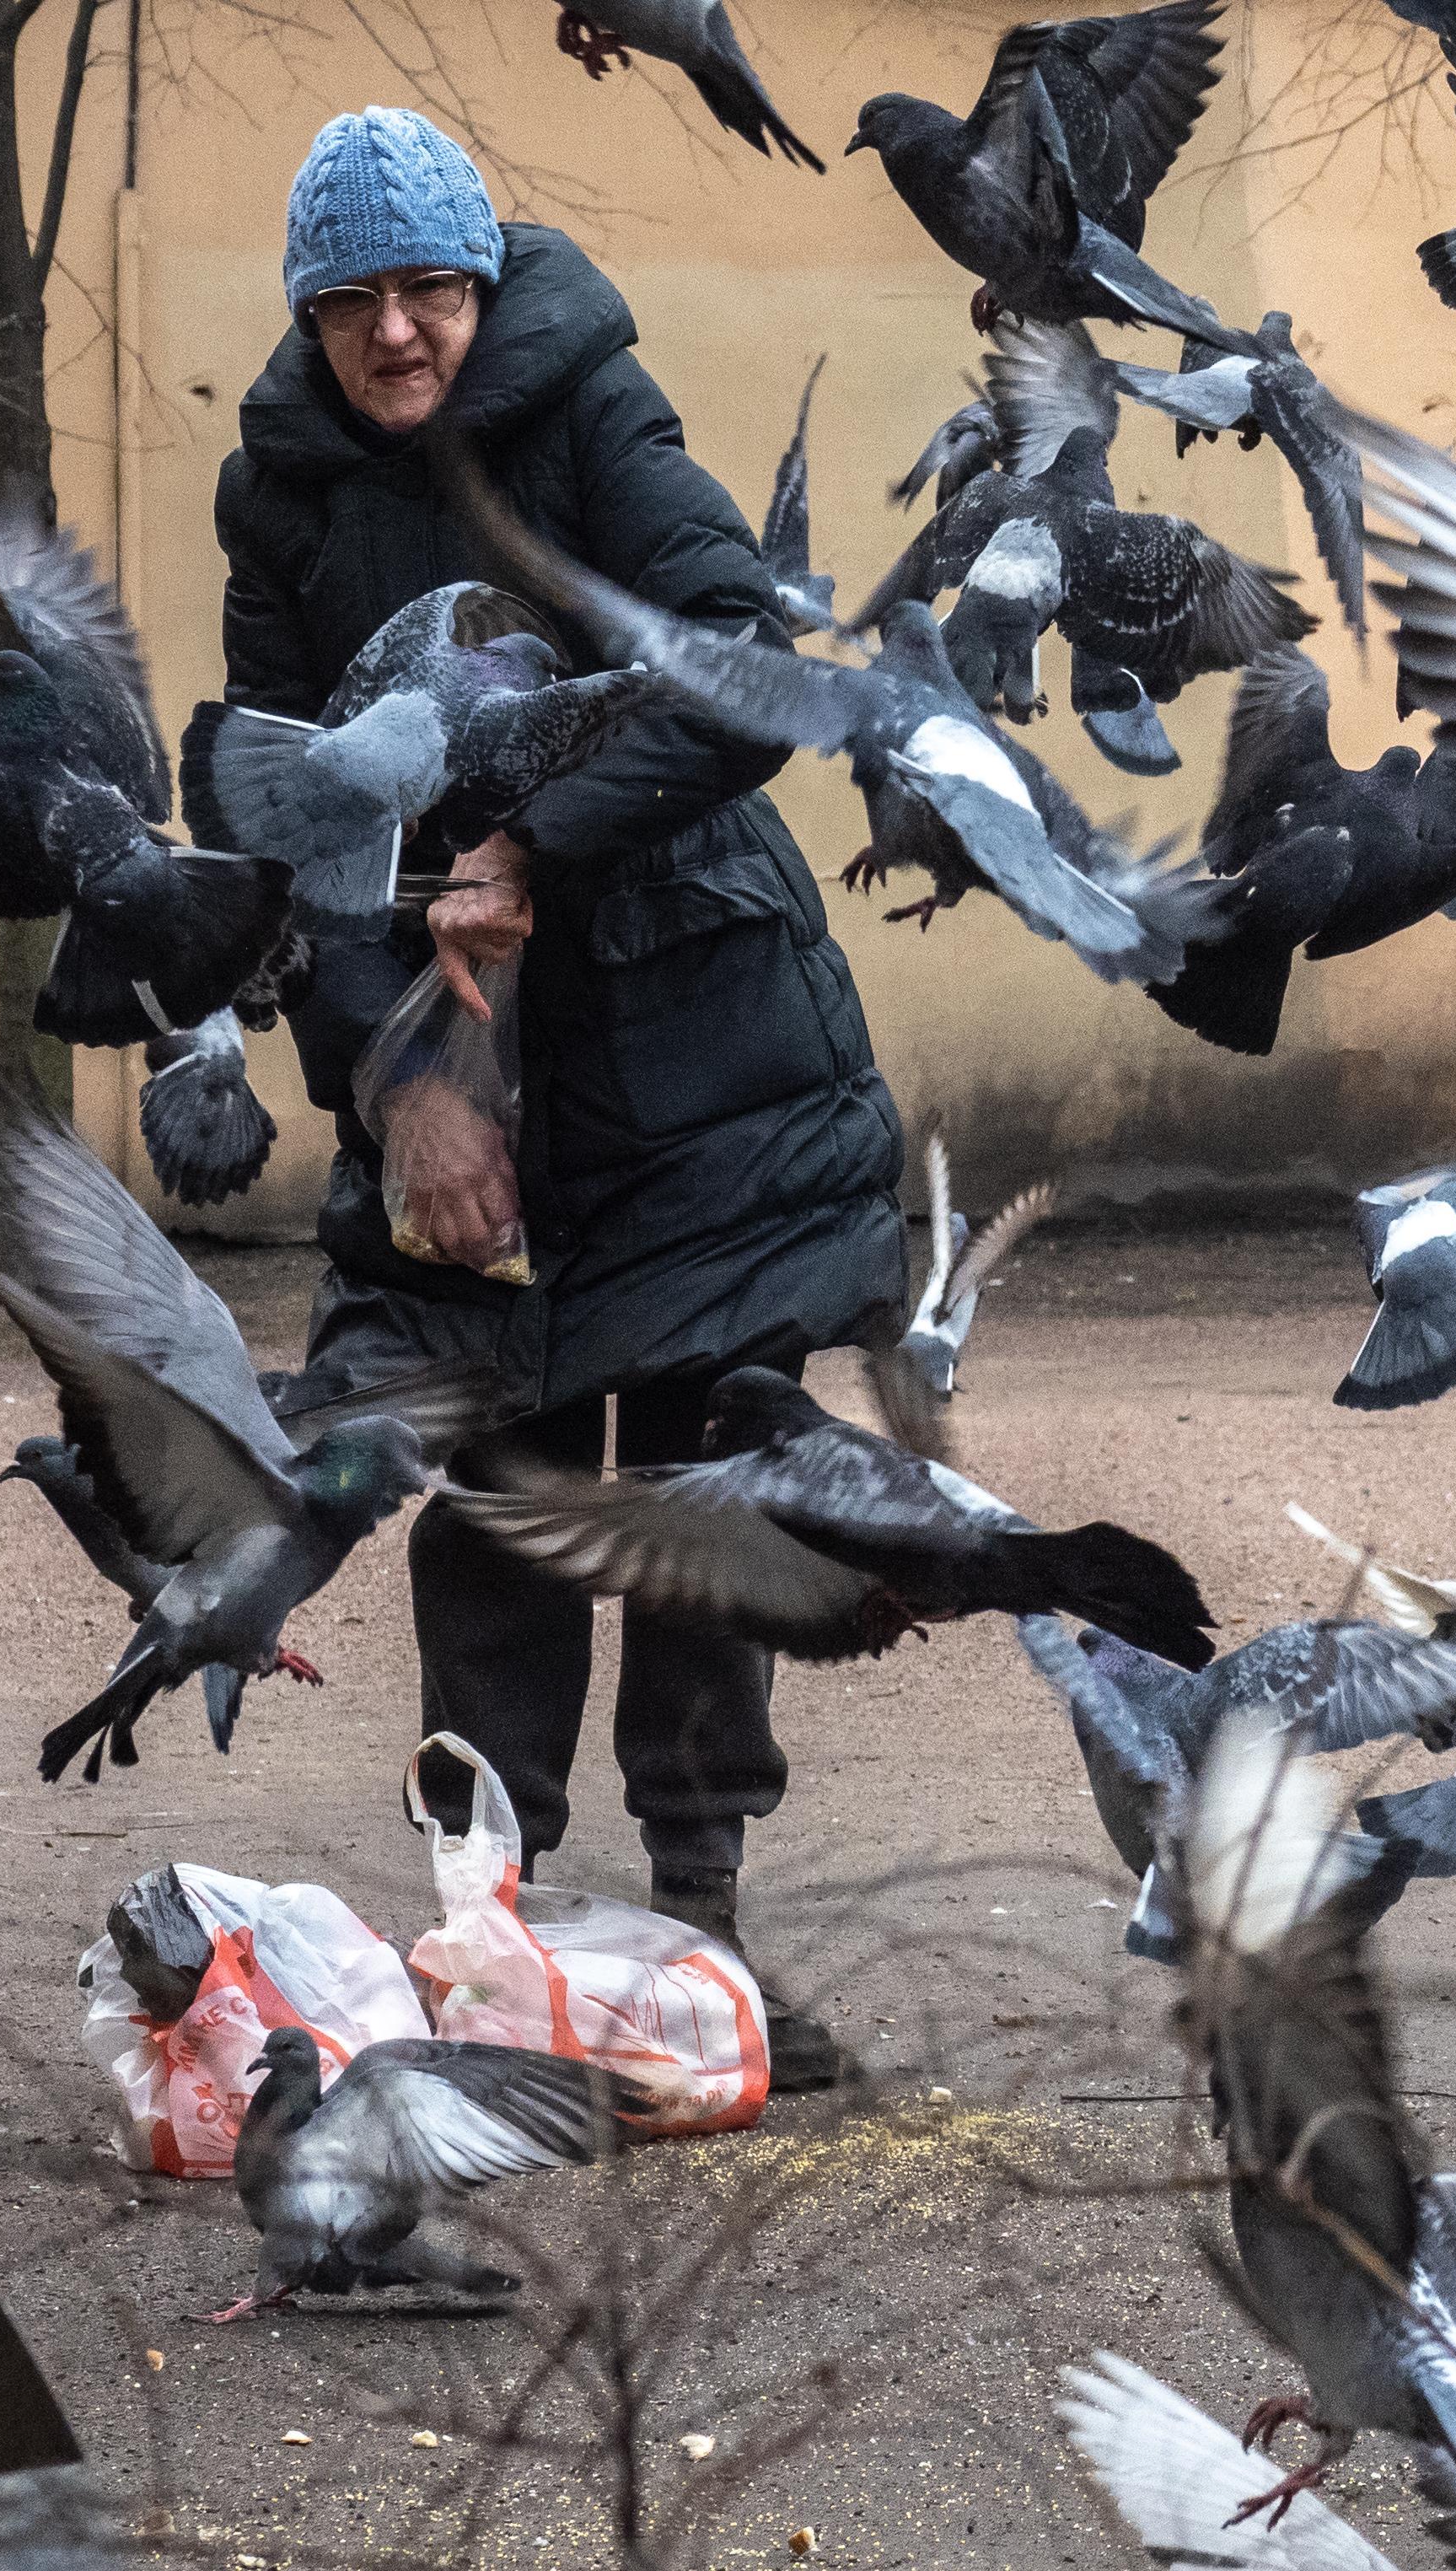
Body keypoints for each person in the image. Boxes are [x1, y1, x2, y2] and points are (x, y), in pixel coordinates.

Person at [218, 107, 895, 2090]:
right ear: (312, 320)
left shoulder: (593, 408)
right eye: (354, 303)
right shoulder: (282, 494)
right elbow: (290, 809)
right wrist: (396, 1083)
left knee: (691, 1473)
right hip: (460, 1012)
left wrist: (542, 850)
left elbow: (745, 663)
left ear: (482, 288)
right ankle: (494, 1947)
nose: (399, 333)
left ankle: (700, 1948)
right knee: (504, 1481)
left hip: (686, 1020)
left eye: (428, 289)